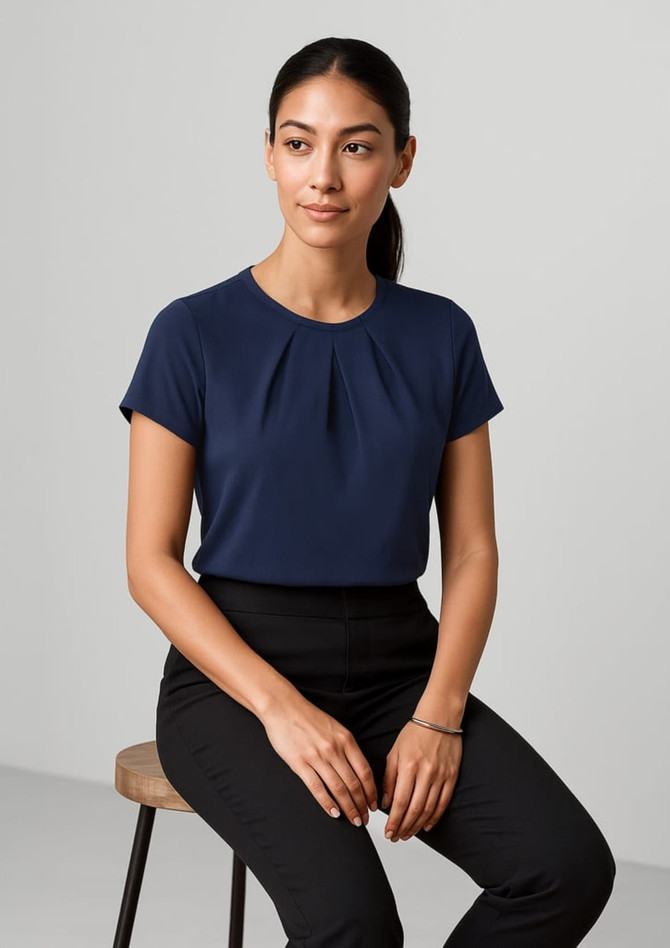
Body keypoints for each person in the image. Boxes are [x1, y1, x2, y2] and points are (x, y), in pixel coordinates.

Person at [118, 36, 615, 948]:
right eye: (300, 143)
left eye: (356, 145)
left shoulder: (441, 335)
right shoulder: (192, 332)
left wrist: (440, 712)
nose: (324, 176)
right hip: (235, 682)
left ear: (402, 159)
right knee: (352, 922)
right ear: (268, 154)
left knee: (566, 866)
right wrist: (282, 711)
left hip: (399, 669)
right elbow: (150, 564)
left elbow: (471, 550)